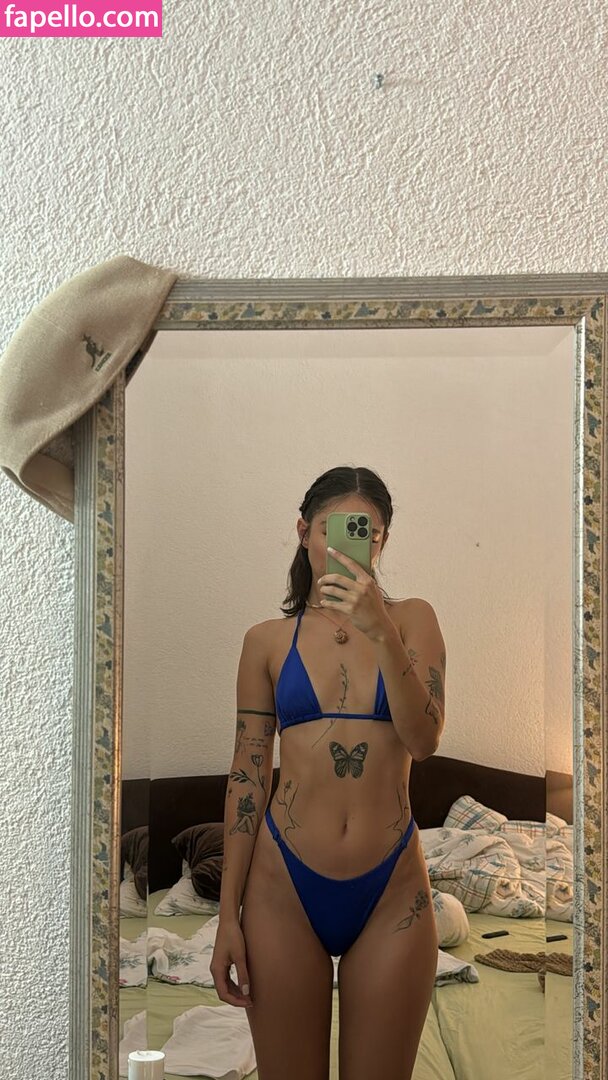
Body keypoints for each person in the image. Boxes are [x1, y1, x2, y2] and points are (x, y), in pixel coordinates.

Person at [210, 466, 446, 1080]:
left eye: (366, 532)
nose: (345, 546)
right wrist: (227, 917)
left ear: (382, 541)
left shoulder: (413, 620)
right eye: (331, 529)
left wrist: (379, 629)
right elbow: (247, 776)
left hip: (392, 890)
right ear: (303, 533)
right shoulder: (265, 641)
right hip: (281, 890)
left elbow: (424, 741)